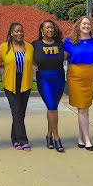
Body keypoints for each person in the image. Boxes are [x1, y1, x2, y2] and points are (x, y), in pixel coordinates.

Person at [0, 22, 35, 151]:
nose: (20, 33)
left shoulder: (29, 47)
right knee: (16, 110)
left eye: (21, 31)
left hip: (25, 83)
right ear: (11, 33)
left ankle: (15, 138)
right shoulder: (4, 47)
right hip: (10, 83)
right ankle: (23, 141)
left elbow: (35, 62)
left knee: (20, 112)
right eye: (17, 31)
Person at [64, 16, 93, 151]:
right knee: (82, 109)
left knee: (85, 108)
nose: (87, 26)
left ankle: (80, 137)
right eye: (84, 23)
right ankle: (87, 139)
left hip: (91, 75)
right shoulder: (69, 42)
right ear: (79, 25)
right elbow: (62, 57)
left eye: (89, 24)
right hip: (76, 75)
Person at [32, 19, 66, 153]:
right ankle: (57, 137)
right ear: (41, 30)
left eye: (51, 27)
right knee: (52, 106)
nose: (50, 30)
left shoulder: (60, 44)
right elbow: (28, 57)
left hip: (58, 78)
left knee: (53, 108)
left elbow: (69, 54)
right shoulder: (35, 44)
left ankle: (48, 135)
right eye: (47, 28)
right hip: (44, 78)